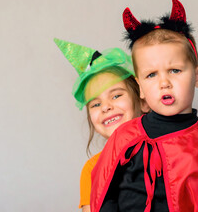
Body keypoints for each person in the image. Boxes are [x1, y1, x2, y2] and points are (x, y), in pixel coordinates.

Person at [90, 0, 198, 212]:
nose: (164, 83)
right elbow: (103, 194)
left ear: (197, 76)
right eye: (151, 75)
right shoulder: (124, 137)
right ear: (140, 88)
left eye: (175, 70)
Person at [54, 38, 148, 212]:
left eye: (116, 95)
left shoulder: (164, 151)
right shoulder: (92, 170)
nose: (106, 107)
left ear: (143, 101)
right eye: (95, 104)